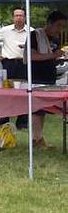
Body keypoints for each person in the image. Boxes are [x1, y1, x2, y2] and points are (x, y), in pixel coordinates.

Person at [24, 9, 67, 146]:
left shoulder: (55, 39)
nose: (60, 29)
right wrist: (53, 55)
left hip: (49, 76)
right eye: (58, 25)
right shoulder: (35, 35)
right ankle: (36, 139)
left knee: (43, 109)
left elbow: (51, 57)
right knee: (37, 109)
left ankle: (38, 137)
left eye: (63, 26)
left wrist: (60, 57)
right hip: (36, 76)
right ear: (49, 23)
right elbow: (32, 56)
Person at [0, 7, 28, 80]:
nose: (18, 18)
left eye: (21, 16)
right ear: (13, 18)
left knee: (24, 84)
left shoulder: (31, 31)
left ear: (25, 18)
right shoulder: (5, 30)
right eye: (16, 15)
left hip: (25, 64)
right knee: (7, 84)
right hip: (8, 63)